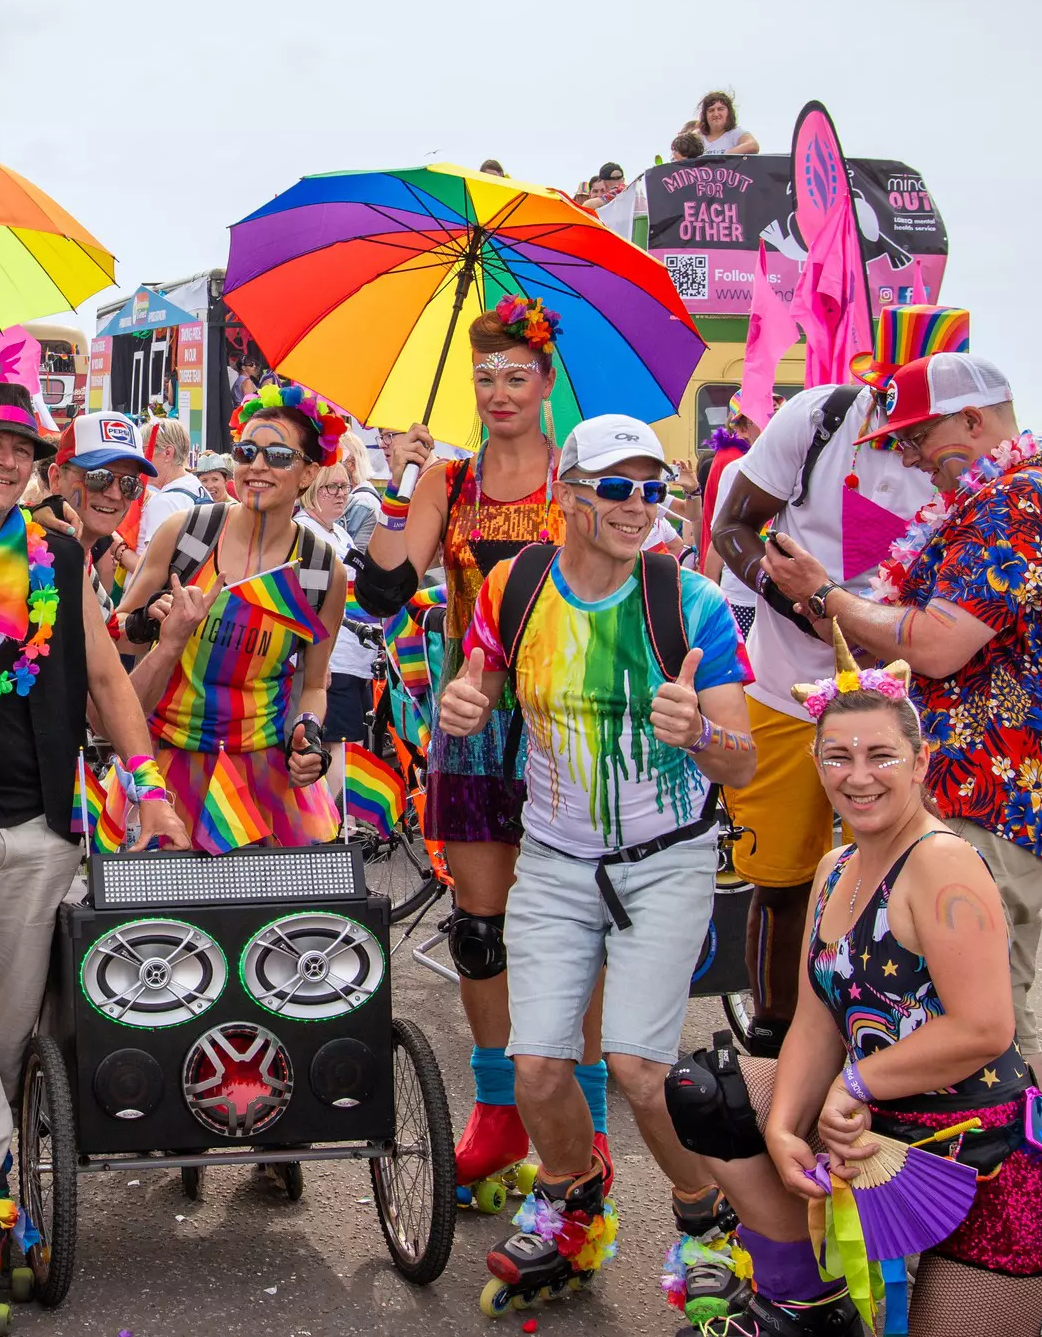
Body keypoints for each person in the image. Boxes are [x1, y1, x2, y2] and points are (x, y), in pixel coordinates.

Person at [664, 642, 1042, 1337]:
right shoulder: (834, 867)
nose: (858, 776)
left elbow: (985, 1027)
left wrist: (854, 1085)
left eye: (881, 755)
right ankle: (806, 1309)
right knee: (706, 1091)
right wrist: (781, 1123)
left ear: (920, 763)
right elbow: (816, 1023)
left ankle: (1038, 1302)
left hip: (987, 1168)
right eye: (838, 757)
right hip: (878, 1133)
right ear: (816, 762)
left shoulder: (943, 866)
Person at [440, 415, 756, 1310]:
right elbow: (483, 677)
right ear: (569, 496)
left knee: (638, 1069)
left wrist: (701, 732)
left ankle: (705, 1221)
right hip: (554, 858)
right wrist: (468, 698)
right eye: (617, 488)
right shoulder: (516, 584)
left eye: (652, 489)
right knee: (537, 1066)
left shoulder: (686, 600)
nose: (638, 506)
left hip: (664, 861)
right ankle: (574, 1205)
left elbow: (743, 760)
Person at [0, 382, 188, 1323]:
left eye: (22, 449)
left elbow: (104, 676)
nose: (8, 461)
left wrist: (147, 789)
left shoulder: (58, 555)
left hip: (43, 825)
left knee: (7, 1023)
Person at [354, 296, 616, 1210]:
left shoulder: (582, 480)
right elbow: (387, 591)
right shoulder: (449, 483)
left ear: (547, 384)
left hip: (565, 724)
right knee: (480, 929)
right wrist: (391, 489)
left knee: (574, 929)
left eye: (516, 375)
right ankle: (500, 1113)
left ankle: (584, 1131)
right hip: (470, 725)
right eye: (485, 378)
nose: (498, 391)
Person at [758, 353, 1042, 1097]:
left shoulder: (1021, 501)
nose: (909, 456)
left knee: (981, 1016)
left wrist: (827, 594)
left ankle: (1029, 1192)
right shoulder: (990, 498)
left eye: (917, 436)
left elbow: (934, 645)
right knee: (927, 1004)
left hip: (992, 792)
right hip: (958, 789)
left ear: (973, 420)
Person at [711, 373, 936, 1058]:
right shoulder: (820, 419)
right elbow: (730, 526)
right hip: (783, 691)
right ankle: (776, 1043)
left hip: (904, 701)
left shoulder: (963, 460)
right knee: (783, 883)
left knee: (908, 875)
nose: (914, 445)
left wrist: (843, 605)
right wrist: (783, 598)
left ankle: (895, 1048)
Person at [115, 387, 347, 851]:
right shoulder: (187, 533)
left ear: (309, 474)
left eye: (279, 456)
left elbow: (316, 684)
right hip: (168, 766)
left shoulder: (323, 569)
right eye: (246, 451)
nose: (257, 466)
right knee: (166, 920)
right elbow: (115, 631)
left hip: (264, 779)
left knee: (264, 921)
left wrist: (310, 739)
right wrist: (147, 622)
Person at [297, 458, 378, 802]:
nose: (341, 494)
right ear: (314, 489)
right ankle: (333, 825)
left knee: (351, 741)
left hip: (355, 657)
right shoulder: (307, 534)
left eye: (345, 486)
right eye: (333, 487)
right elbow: (307, 604)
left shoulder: (336, 531)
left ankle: (343, 821)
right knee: (340, 743)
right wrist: (322, 660)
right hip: (335, 658)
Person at [42, 411, 156, 625]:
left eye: (129, 484)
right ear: (56, 478)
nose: (114, 495)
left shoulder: (83, 560)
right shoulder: (25, 553)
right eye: (98, 478)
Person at [698, 405, 763, 636]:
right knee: (740, 670)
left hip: (786, 600)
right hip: (741, 597)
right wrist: (709, 603)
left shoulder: (799, 470)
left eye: (779, 413)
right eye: (765, 414)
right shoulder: (735, 470)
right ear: (744, 429)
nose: (774, 419)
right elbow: (719, 537)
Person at [136, 417, 205, 546]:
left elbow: (152, 565)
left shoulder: (164, 502)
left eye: (144, 450)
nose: (139, 458)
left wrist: (117, 546)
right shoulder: (197, 487)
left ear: (168, 453)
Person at [691, 92, 758, 155]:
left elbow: (753, 146)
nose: (716, 114)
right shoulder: (697, 136)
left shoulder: (736, 133)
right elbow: (680, 153)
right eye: (711, 110)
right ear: (705, 115)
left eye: (720, 109)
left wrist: (722, 156)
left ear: (729, 112)